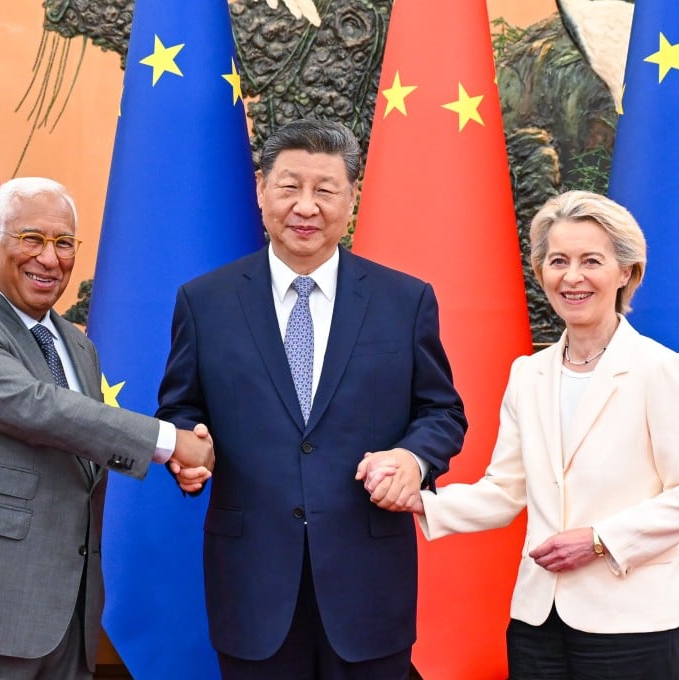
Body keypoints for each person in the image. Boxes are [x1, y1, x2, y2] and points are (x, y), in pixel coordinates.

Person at [363, 190, 679, 679]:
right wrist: (421, 501)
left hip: (633, 623)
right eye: (558, 261)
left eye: (591, 261)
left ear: (626, 273)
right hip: (536, 620)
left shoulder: (661, 369)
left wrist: (599, 540)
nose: (572, 277)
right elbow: (506, 490)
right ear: (541, 274)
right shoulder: (527, 374)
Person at [156, 119, 467, 679]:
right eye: (289, 186)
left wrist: (413, 458)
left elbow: (441, 411)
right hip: (252, 584)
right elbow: (181, 408)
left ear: (352, 196)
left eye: (325, 190)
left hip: (368, 582)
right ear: (260, 188)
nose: (306, 206)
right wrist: (188, 448)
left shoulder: (404, 300)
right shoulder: (205, 302)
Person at [0, 177, 213, 679]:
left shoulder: (76, 344)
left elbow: (82, 440)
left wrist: (177, 459)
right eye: (32, 239)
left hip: (67, 618)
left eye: (64, 243)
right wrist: (169, 442)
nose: (50, 258)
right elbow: (37, 407)